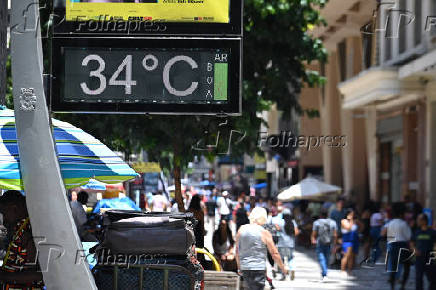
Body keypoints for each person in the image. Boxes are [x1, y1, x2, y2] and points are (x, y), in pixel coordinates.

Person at [236, 207, 288, 290]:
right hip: (258, 268)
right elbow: (274, 253)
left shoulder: (241, 230)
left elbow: (237, 251)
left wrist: (239, 267)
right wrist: (283, 268)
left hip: (245, 267)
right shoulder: (264, 232)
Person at [0, 191, 44, 289]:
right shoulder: (20, 228)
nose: (4, 219)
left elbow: (37, 275)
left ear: (14, 209)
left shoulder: (26, 232)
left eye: (4, 213)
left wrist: (4, 276)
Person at [381, 202, 412, 290]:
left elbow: (385, 235)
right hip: (403, 246)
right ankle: (402, 286)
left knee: (393, 267)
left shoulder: (390, 223)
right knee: (406, 267)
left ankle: (392, 287)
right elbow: (408, 237)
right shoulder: (404, 224)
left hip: (393, 246)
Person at [410, 213, 436, 290]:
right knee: (418, 278)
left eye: (419, 219)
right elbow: (411, 243)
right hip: (419, 257)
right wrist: (415, 250)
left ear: (424, 221)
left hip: (430, 258)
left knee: (433, 279)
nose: (417, 221)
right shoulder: (416, 232)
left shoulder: (432, 232)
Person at [273, 208, 299, 281]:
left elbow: (276, 228)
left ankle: (283, 274)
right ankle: (292, 269)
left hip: (281, 243)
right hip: (290, 243)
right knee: (290, 258)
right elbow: (296, 232)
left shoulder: (280, 222)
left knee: (281, 260)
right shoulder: (293, 222)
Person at [311, 208, 337, 281]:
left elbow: (314, 233)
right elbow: (335, 235)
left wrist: (313, 239)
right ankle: (324, 273)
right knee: (327, 258)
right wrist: (335, 244)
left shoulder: (316, 222)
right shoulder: (333, 222)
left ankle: (324, 273)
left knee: (321, 258)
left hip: (320, 242)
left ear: (320, 215)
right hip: (329, 242)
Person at [340, 208, 361, 278]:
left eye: (352, 214)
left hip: (354, 240)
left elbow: (361, 227)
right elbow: (348, 228)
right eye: (350, 214)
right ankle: (343, 270)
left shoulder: (355, 221)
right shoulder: (343, 221)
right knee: (346, 255)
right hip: (347, 241)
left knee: (352, 257)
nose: (351, 215)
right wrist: (351, 220)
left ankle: (350, 270)